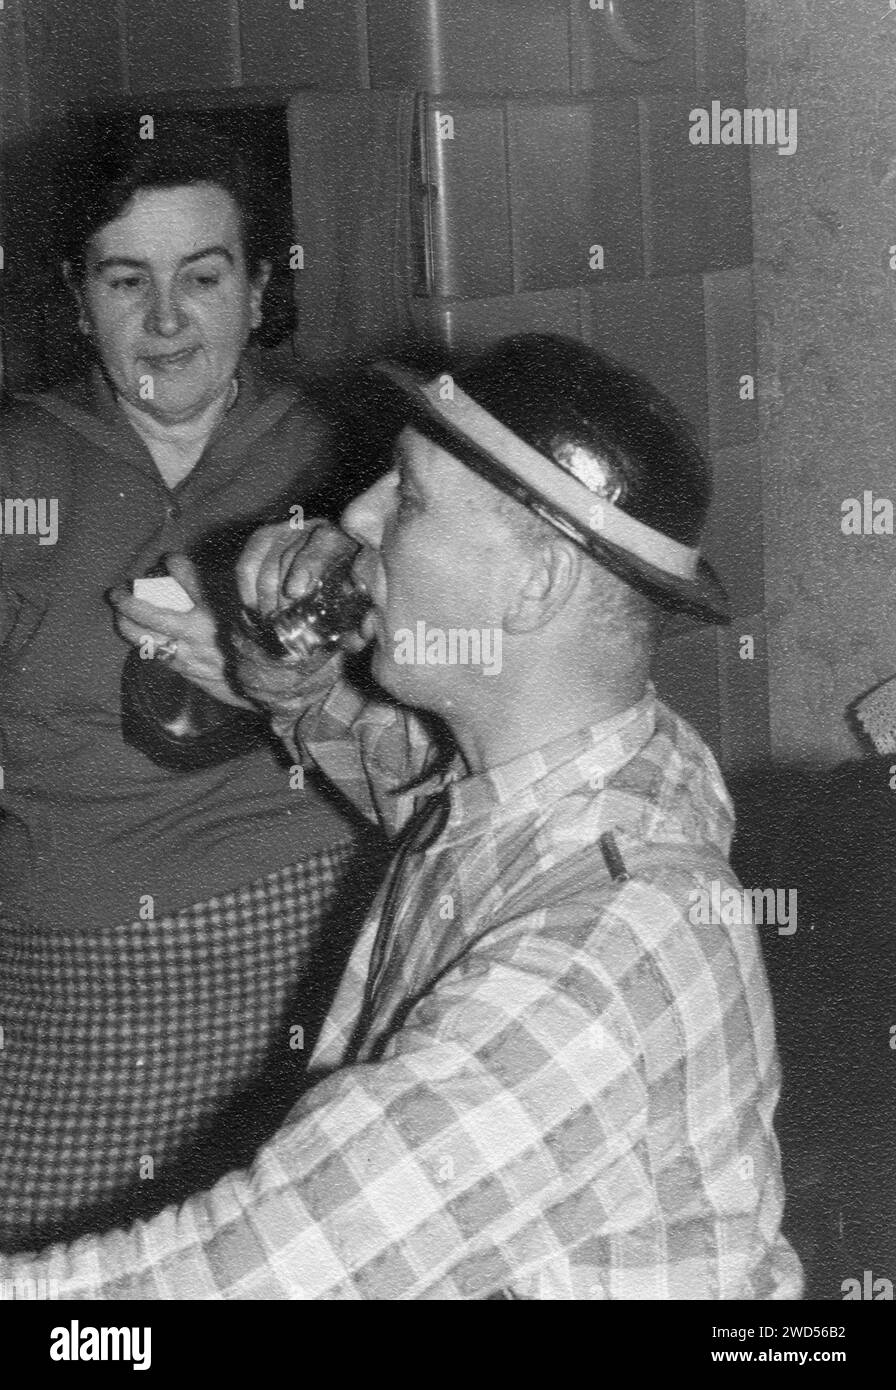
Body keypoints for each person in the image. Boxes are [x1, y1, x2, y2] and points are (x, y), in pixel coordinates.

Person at [0, 333, 803, 1298]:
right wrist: (289, 682)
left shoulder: (595, 964)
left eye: (409, 497)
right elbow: (430, 798)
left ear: (535, 582)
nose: (358, 514)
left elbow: (227, 1281)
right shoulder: (610, 770)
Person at [0, 121, 380, 1252]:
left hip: (304, 942)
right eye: (128, 281)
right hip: (63, 975)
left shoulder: (346, 459)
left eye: (202, 277)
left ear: (258, 291)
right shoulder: (18, 464)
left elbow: (437, 720)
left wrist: (281, 675)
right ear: (80, 300)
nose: (166, 322)